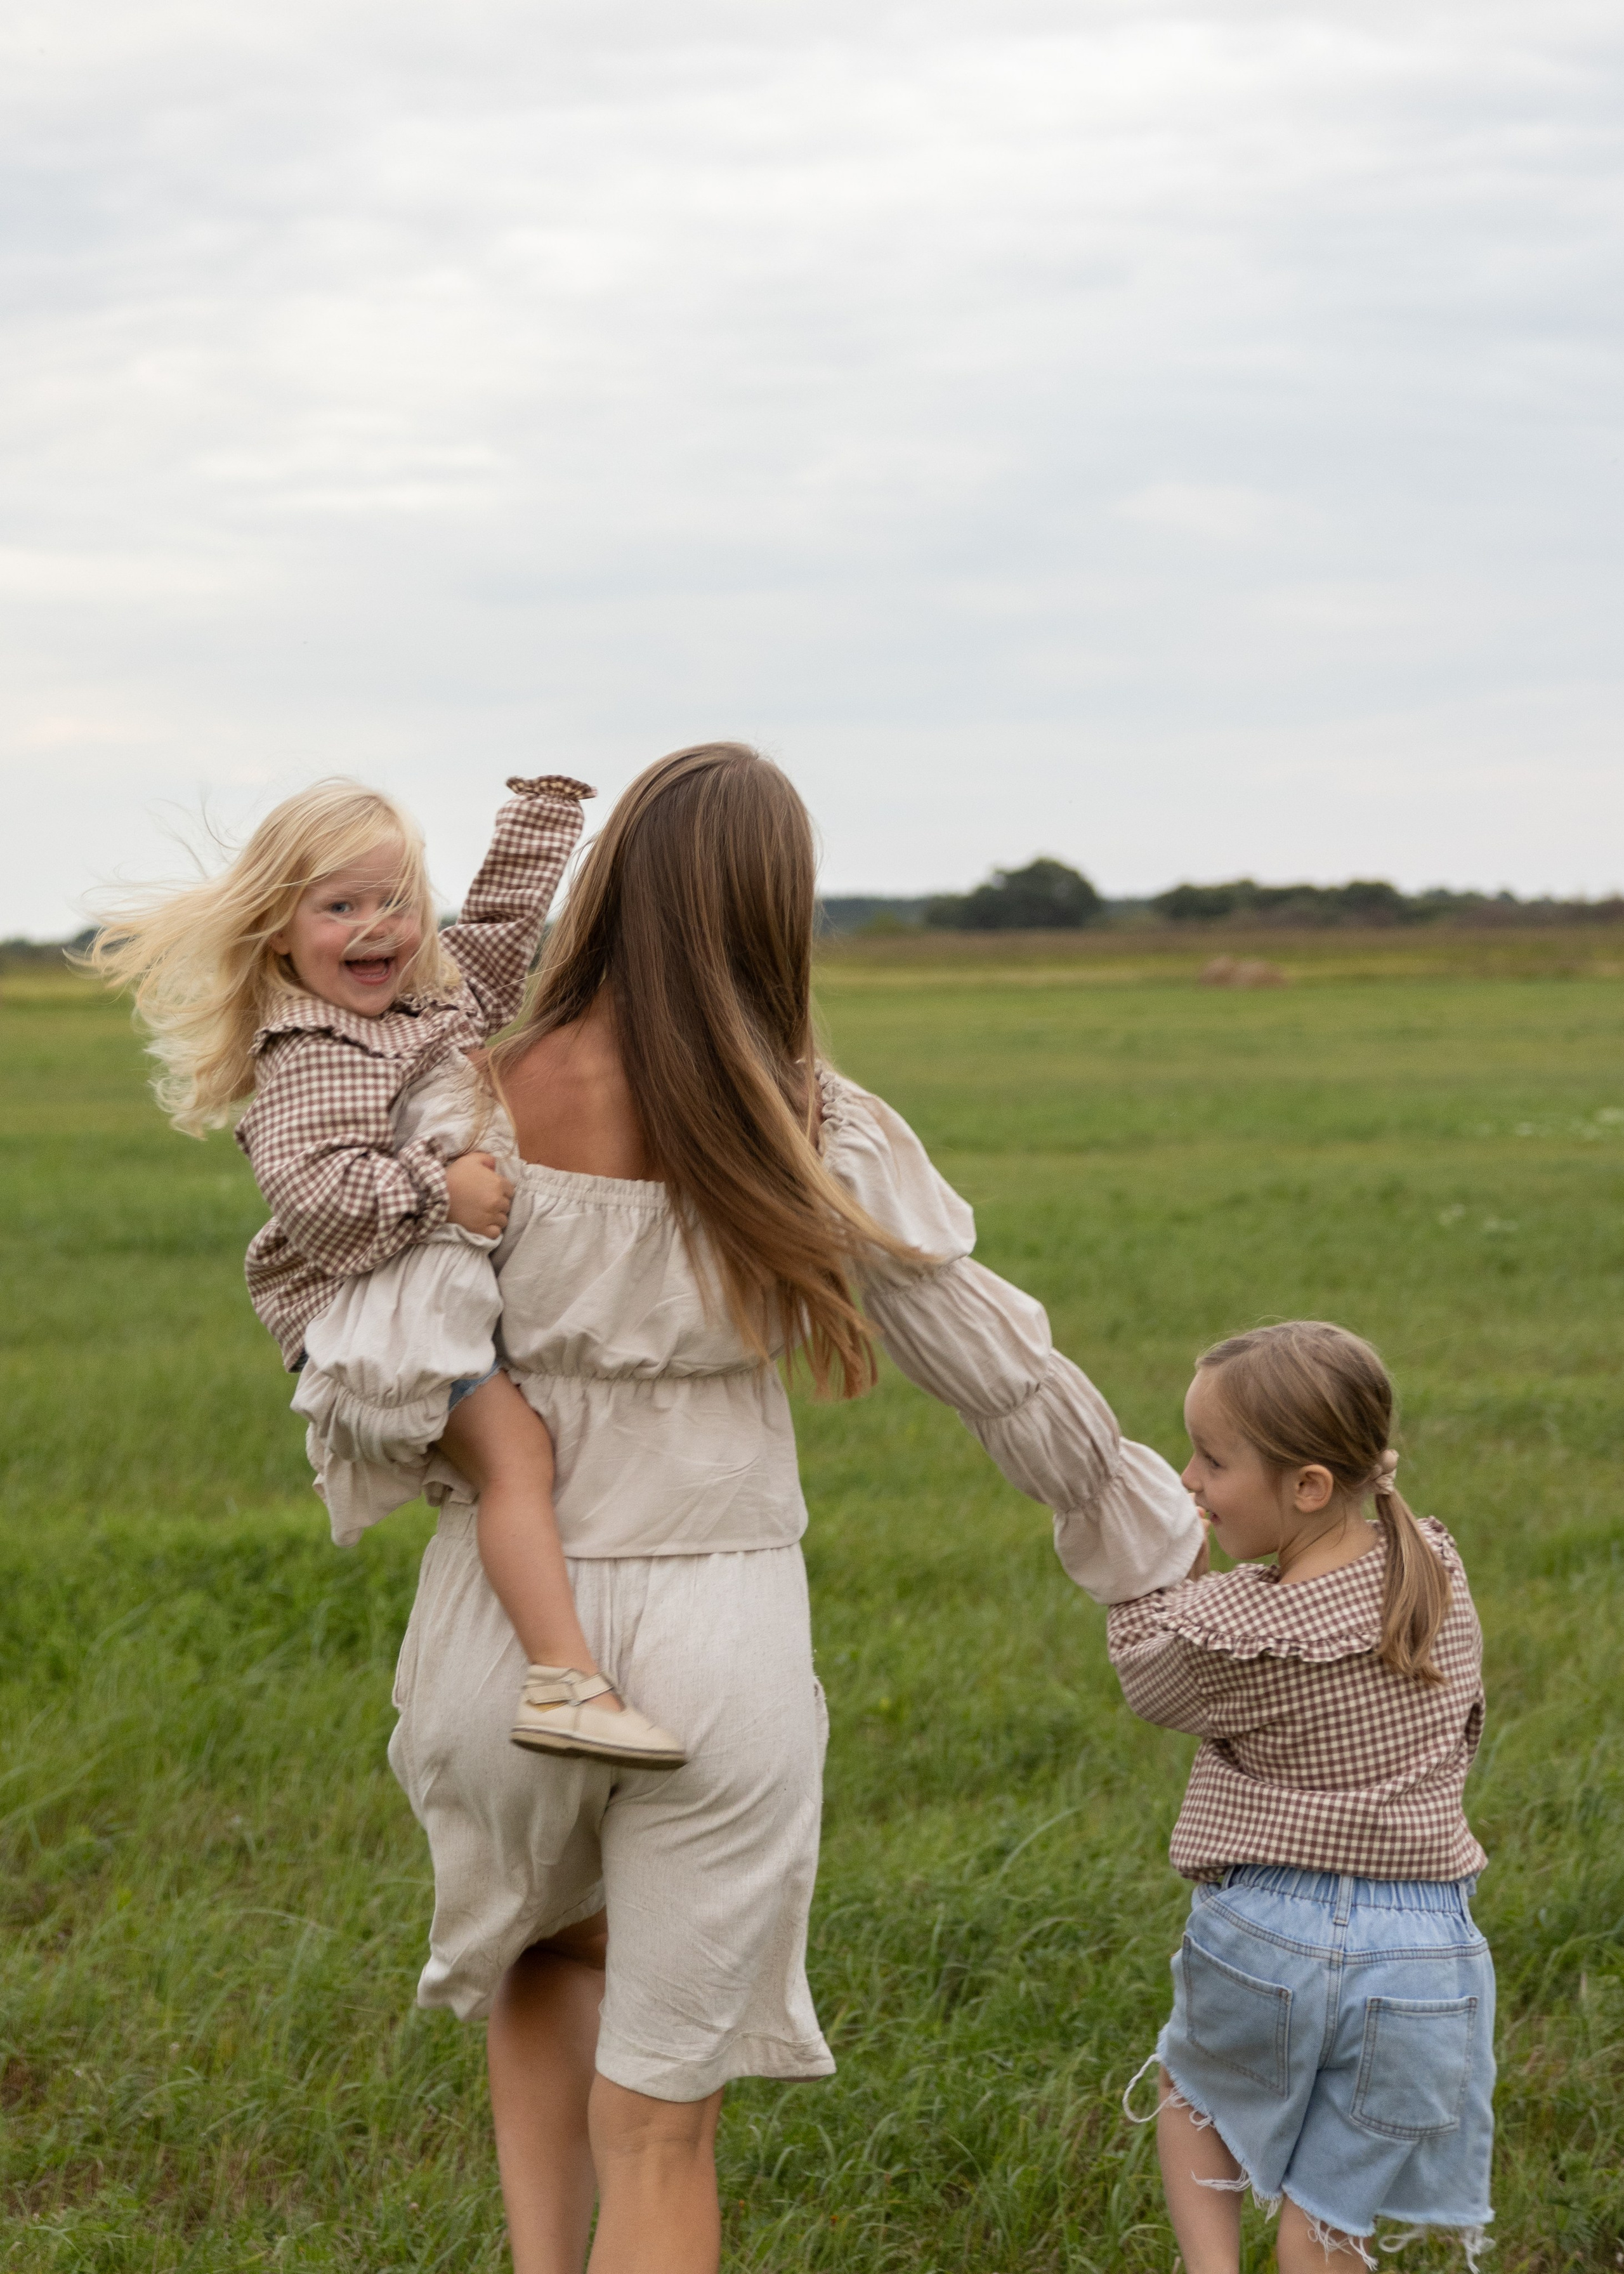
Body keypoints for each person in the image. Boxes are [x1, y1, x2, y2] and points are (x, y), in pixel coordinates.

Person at [381, 742, 1205, 2274]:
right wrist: (1140, 1538)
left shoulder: (460, 1094)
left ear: (608, 877)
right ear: (778, 914)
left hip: (504, 1625)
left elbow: (357, 1337)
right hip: (719, 1631)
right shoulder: (808, 1118)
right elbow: (995, 1368)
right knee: (664, 2127)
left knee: (544, 1961)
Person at [88, 773, 683, 1770]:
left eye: (396, 901)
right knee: (521, 1460)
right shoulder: (312, 1050)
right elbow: (315, 1203)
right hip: (377, 1315)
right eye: (341, 907)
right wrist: (439, 1186)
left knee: (525, 1460)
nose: (378, 927)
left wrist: (537, 823)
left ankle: (560, 1667)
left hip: (425, 1299)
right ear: (279, 926)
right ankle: (564, 1681)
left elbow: (490, 947)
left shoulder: (413, 1014)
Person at [1107, 1322, 1493, 2273]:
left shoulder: (1235, 1625)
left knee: (1195, 2090)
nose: (1189, 1480)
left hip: (1266, 1931)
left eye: (1210, 1459)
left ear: (1309, 1486)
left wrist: (1154, 1576)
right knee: (1328, 2212)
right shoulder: (1433, 1569)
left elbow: (1148, 1680)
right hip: (1423, 1959)